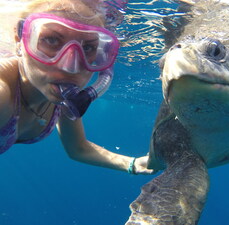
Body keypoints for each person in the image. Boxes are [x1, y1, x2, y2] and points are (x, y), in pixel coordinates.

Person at [0, 0, 154, 175]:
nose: (70, 67)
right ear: (20, 39)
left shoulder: (60, 96)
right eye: (51, 40)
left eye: (88, 47)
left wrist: (134, 164)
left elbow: (78, 148)